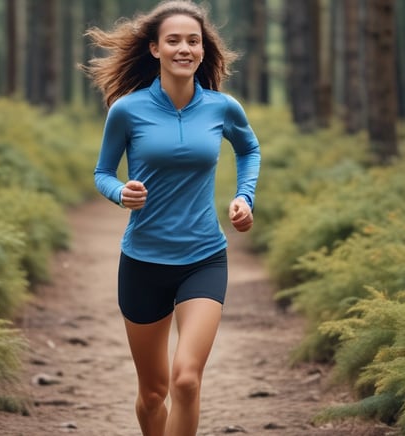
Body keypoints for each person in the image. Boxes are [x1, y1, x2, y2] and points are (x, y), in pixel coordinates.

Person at [83, 1, 261, 435]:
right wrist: (121, 192)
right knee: (153, 393)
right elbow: (102, 173)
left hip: (203, 258)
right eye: (174, 40)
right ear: (155, 49)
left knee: (186, 379)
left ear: (203, 50)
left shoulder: (222, 108)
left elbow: (249, 149)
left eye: (193, 41)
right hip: (143, 261)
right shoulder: (127, 110)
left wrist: (244, 197)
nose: (185, 48)